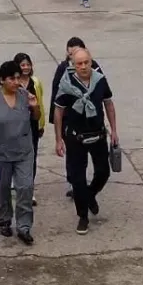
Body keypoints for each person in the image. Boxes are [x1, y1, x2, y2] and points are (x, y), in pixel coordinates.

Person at [54, 47, 118, 235]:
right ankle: (82, 216)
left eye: (86, 62)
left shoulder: (100, 81)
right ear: (73, 65)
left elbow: (109, 103)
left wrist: (114, 130)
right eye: (79, 63)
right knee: (77, 178)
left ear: (91, 62)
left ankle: (90, 196)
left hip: (98, 134)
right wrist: (58, 138)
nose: (83, 66)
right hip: (75, 137)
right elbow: (58, 111)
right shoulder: (66, 83)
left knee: (103, 172)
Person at [0, 60, 40, 245]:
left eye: (18, 78)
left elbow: (35, 118)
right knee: (3, 188)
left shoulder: (24, 96)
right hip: (0, 153)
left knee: (25, 187)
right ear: (2, 80)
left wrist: (34, 105)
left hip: (24, 151)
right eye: (12, 78)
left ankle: (24, 226)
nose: (16, 82)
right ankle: (4, 220)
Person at [49, 37, 104, 199]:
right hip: (69, 120)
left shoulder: (94, 67)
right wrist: (55, 120)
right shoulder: (63, 69)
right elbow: (56, 93)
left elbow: (102, 91)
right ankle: (75, 182)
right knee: (74, 155)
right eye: (71, 53)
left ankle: (86, 189)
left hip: (91, 120)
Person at [14, 53, 44, 207]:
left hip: (32, 125)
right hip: (16, 127)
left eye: (28, 64)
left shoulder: (35, 82)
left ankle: (29, 189)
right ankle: (18, 184)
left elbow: (41, 104)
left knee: (31, 158)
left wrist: (41, 124)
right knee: (16, 157)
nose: (26, 68)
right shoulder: (12, 83)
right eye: (22, 65)